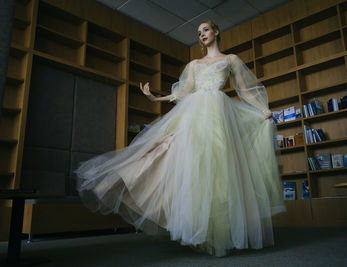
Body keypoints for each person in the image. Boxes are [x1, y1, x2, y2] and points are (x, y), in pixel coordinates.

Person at [75, 20, 285, 257]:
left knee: (218, 171)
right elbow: (183, 93)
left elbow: (244, 90)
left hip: (218, 115)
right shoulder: (194, 64)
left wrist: (263, 109)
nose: (201, 34)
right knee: (169, 154)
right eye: (198, 33)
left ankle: (214, 233)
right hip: (193, 116)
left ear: (216, 31)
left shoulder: (230, 60)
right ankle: (126, 182)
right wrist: (156, 99)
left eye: (205, 29)